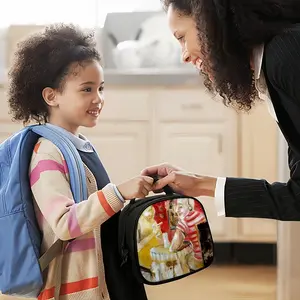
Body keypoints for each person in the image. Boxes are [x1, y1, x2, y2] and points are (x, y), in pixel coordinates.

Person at [8, 24, 154, 300]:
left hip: (105, 274)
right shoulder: (47, 154)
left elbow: (96, 210)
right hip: (77, 287)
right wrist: (120, 192)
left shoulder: (79, 146)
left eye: (100, 88)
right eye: (86, 89)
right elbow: (64, 223)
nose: (98, 99)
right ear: (51, 96)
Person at [142, 0, 300, 221]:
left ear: (211, 23)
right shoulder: (275, 60)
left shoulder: (287, 55)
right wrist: (198, 184)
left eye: (182, 38)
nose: (184, 55)